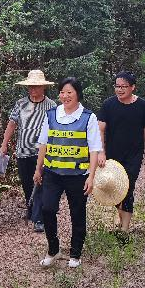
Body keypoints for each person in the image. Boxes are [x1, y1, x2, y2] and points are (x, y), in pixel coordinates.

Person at [33, 77, 102, 268]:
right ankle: (53, 249)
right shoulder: (51, 115)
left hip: (77, 175)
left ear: (78, 94)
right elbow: (43, 144)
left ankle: (76, 252)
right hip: (53, 173)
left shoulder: (89, 117)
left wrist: (91, 176)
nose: (65, 96)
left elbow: (94, 149)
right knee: (47, 209)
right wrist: (38, 169)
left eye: (69, 92)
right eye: (62, 92)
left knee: (77, 213)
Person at [97, 71, 145, 245]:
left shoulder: (142, 106)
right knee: (114, 188)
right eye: (117, 86)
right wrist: (101, 152)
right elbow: (100, 129)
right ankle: (121, 217)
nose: (120, 90)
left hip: (134, 155)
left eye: (123, 86)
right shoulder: (108, 105)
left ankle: (124, 230)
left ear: (132, 87)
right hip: (113, 157)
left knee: (127, 188)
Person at [0, 70, 57, 233]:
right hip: (23, 151)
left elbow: (55, 127)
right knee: (27, 183)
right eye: (30, 86)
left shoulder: (51, 105)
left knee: (40, 183)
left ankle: (39, 218)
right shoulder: (20, 103)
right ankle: (32, 210)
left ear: (43, 87)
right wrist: (4, 145)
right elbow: (12, 124)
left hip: (42, 152)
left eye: (36, 86)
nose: (33, 89)